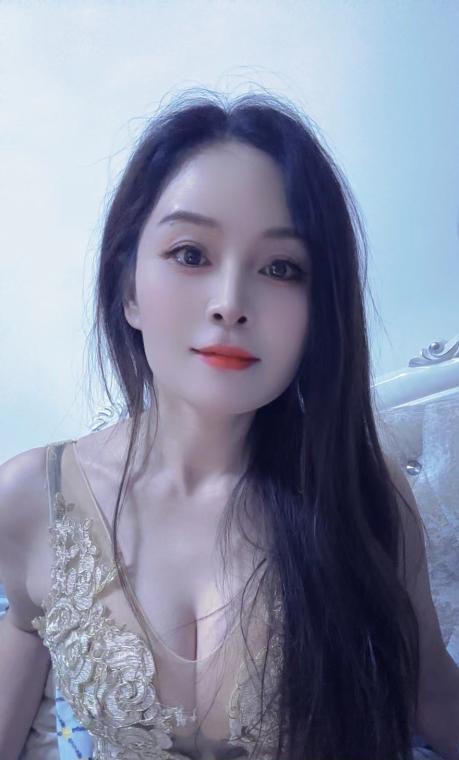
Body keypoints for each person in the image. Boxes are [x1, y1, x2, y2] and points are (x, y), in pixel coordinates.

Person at [0, 87, 458, 760]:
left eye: (280, 268)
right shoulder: (32, 496)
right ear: (128, 290)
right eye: (191, 254)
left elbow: (432, 695)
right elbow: (23, 635)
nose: (230, 302)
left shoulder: (360, 490)